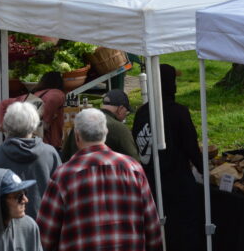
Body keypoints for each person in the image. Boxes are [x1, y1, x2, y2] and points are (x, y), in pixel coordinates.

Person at [38, 108, 162, 251]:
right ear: (106, 133)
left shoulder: (63, 175)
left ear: (77, 137)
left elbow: (45, 236)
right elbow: (153, 228)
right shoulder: (134, 169)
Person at [132, 62, 202, 251]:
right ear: (170, 84)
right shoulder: (178, 112)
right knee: (184, 233)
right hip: (178, 184)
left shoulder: (141, 112)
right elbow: (191, 148)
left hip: (151, 183)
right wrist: (205, 170)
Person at [0, 101, 60, 219]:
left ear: (7, 124)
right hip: (43, 222)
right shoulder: (49, 153)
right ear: (35, 124)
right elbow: (59, 193)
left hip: (8, 222)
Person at [0, 71, 66, 148]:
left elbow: (3, 104)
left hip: (17, 143)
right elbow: (45, 125)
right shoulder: (57, 94)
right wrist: (48, 119)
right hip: (43, 145)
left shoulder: (33, 95)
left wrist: (2, 125)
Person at [64, 89, 138, 160]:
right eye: (126, 112)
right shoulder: (120, 129)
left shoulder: (81, 122)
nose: (125, 115)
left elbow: (65, 156)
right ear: (120, 109)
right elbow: (134, 160)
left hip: (77, 171)